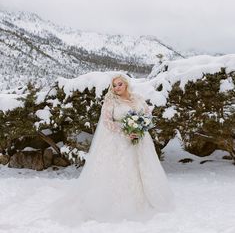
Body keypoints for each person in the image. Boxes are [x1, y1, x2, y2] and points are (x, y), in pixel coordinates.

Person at [50, 73, 174, 225]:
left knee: (143, 168)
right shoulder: (110, 101)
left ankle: (149, 198)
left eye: (119, 84)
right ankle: (124, 203)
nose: (117, 88)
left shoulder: (138, 98)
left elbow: (147, 115)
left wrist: (140, 127)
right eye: (114, 85)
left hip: (141, 141)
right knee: (125, 170)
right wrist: (127, 131)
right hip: (120, 143)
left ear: (126, 84)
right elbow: (107, 122)